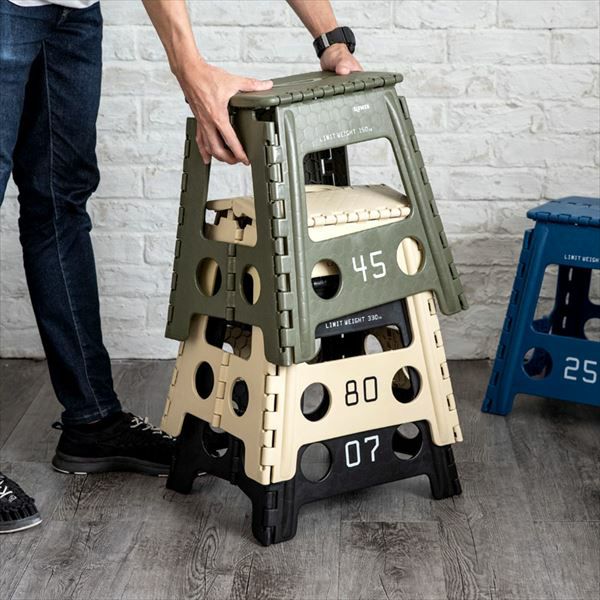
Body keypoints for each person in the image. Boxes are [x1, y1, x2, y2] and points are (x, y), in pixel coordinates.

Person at [0, 0, 362, 534]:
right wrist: (191, 70)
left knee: (60, 204)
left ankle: (92, 423)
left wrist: (330, 39)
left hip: (71, 13)